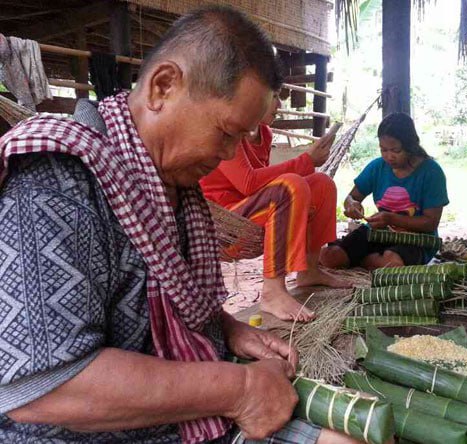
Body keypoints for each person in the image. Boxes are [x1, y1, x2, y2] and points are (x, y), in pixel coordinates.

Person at [0, 6, 361, 444]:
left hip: (179, 413)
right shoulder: (55, 186)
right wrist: (241, 389)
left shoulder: (171, 185)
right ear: (163, 86)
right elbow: (45, 387)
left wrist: (227, 329)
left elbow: (161, 301)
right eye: (226, 133)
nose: (229, 155)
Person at [200, 89, 346, 323]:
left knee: (321, 184)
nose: (280, 104)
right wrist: (306, 161)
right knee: (290, 186)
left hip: (251, 215)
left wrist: (308, 164)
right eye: (274, 96)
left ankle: (309, 270)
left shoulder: (264, 134)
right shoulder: (228, 129)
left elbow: (261, 183)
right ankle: (273, 290)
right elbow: (248, 183)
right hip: (223, 225)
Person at [320, 112, 449, 270]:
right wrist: (352, 205)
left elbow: (430, 222)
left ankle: (362, 260)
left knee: (392, 263)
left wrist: (390, 219)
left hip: (416, 240)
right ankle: (370, 261)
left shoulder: (431, 172)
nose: (389, 156)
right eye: (383, 150)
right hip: (378, 234)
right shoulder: (377, 167)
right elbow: (351, 197)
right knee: (330, 257)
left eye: (395, 150)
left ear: (410, 146)